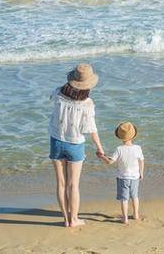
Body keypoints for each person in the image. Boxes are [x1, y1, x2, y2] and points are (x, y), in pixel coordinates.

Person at [48, 63, 105, 227]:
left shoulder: (58, 93)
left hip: (56, 141)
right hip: (75, 145)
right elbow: (91, 129)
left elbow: (51, 97)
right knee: (73, 185)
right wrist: (100, 149)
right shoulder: (87, 103)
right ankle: (74, 219)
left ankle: (66, 219)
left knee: (61, 183)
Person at [100, 122, 145, 224]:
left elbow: (110, 161)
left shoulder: (119, 149)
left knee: (124, 199)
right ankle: (136, 214)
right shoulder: (138, 148)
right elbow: (141, 161)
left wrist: (102, 156)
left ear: (119, 136)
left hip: (122, 178)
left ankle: (125, 218)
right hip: (135, 177)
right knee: (135, 196)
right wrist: (141, 172)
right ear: (133, 135)